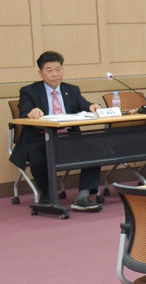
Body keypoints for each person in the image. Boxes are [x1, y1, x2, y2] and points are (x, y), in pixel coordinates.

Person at [11, 50, 105, 211]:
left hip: (68, 138)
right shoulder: (29, 91)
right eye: (49, 70)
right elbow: (24, 112)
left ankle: (83, 196)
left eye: (58, 69)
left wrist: (92, 107)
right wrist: (32, 113)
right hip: (41, 138)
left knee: (94, 151)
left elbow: (84, 105)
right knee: (39, 156)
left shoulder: (72, 90)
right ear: (41, 73)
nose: (55, 74)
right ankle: (47, 195)